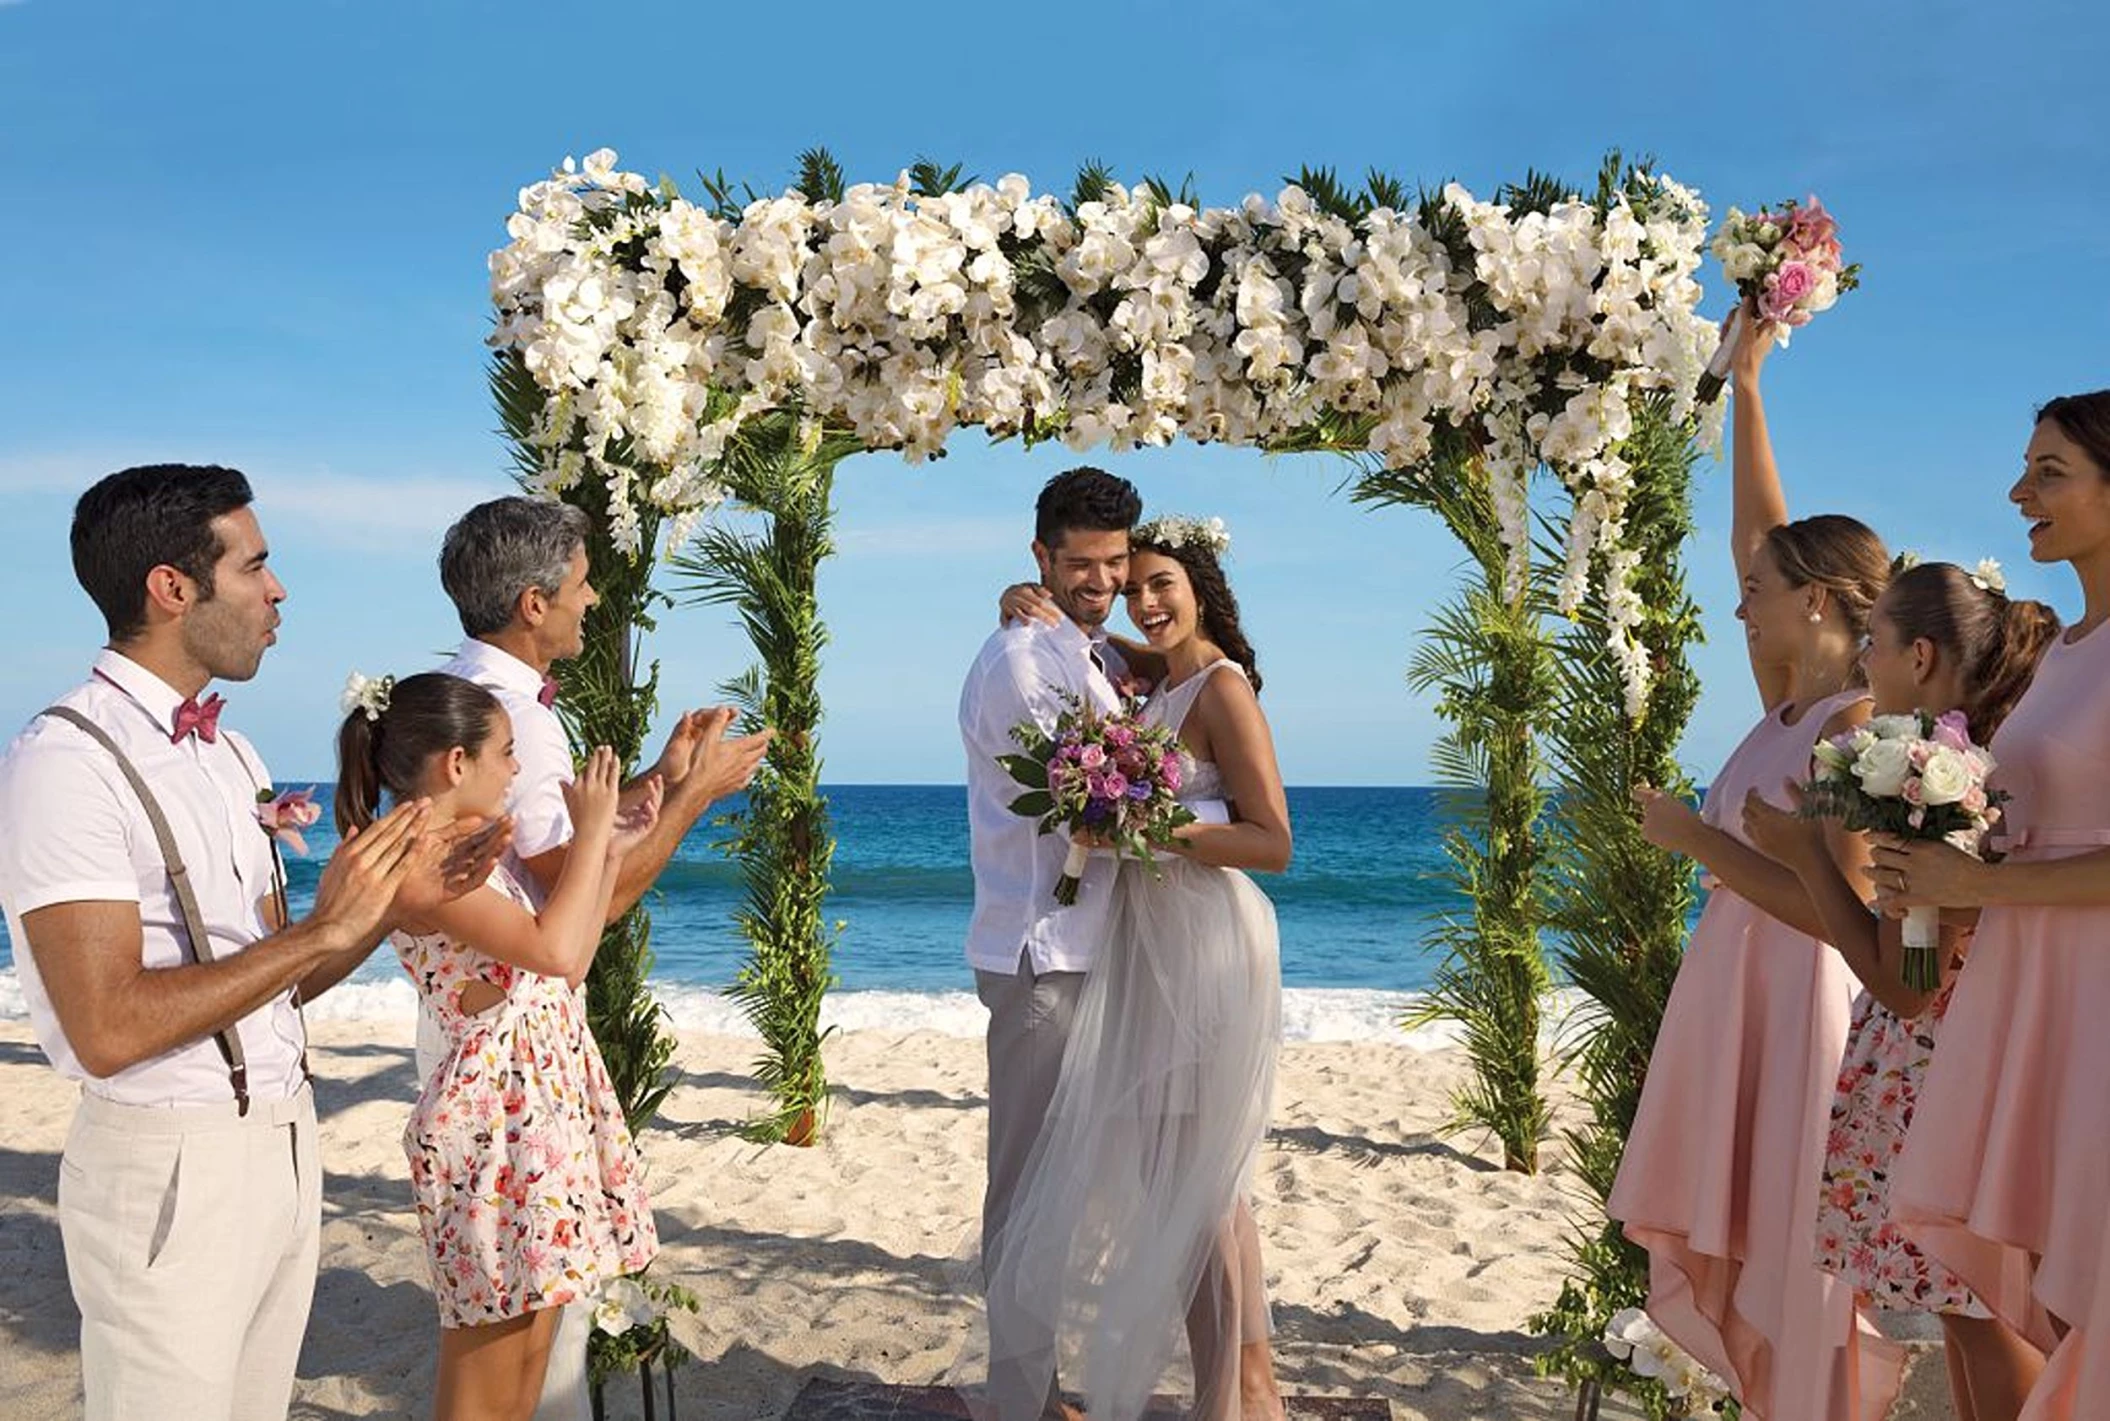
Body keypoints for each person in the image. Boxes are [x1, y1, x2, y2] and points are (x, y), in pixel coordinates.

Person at [0, 465, 501, 1420]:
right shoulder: (65, 760)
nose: (278, 592)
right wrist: (320, 925)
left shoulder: (234, 755)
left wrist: (391, 910)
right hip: (169, 1167)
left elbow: (273, 982)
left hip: (282, 1143)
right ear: (172, 587)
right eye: (256, 566)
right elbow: (104, 1024)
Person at [1605, 308, 1906, 1418]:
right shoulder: (1788, 696)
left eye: (1761, 587)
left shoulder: (1856, 720)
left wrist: (1699, 841)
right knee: (1755, 1245)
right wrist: (1747, 387)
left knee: (1799, 1250)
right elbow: (1758, 533)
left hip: (1800, 1000)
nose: (1740, 594)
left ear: (1815, 600)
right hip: (1734, 986)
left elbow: (1849, 913)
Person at [426, 495, 772, 1420]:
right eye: (582, 585)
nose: (594, 602)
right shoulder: (516, 721)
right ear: (532, 602)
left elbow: (580, 845)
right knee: (539, 1339)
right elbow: (582, 908)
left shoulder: (484, 698)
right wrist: (692, 797)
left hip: (500, 1049)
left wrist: (659, 775)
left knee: (540, 1325)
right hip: (504, 1063)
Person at [988, 513, 1289, 1421]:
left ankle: (1234, 1401)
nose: (1146, 600)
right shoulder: (1161, 675)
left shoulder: (1223, 688)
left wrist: (1149, 829)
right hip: (1149, 944)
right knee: (1193, 1184)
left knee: (1202, 1187)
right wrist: (1028, 608)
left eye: (1164, 584)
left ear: (1203, 588)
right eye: (1135, 583)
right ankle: (1242, 1390)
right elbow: (1099, 645)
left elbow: (1272, 840)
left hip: (1202, 942)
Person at [1743, 559, 2057, 1421]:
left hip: (1938, 1074)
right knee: (1968, 1317)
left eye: (1873, 644)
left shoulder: (1933, 787)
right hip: (1937, 1068)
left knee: (1979, 1318)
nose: (1862, 664)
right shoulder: (1967, 765)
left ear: (1919, 657)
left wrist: (1809, 855)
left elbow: (1906, 982)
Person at [1870, 390, 2110, 1421]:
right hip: (2029, 996)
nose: (2018, 492)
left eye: (2048, 471)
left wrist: (1979, 884)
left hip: (2092, 1002)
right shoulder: (2064, 653)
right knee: (2051, 1292)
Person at [335, 670, 661, 1421]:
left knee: (526, 1360)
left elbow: (571, 958)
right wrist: (592, 832)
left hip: (535, 1111)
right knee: (485, 1370)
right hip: (492, 1125)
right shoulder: (424, 866)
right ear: (457, 763)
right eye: (507, 753)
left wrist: (606, 848)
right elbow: (550, 948)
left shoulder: (469, 854)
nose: (517, 769)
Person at [957, 466, 1145, 1421]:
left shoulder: (1091, 653)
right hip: (1042, 955)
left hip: (1083, 951)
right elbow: (1087, 801)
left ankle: (1038, 1386)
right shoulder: (1028, 660)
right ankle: (1020, 1400)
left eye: (1114, 562)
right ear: (1041, 556)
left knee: (1056, 1190)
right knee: (1027, 1186)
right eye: (1079, 564)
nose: (1100, 580)